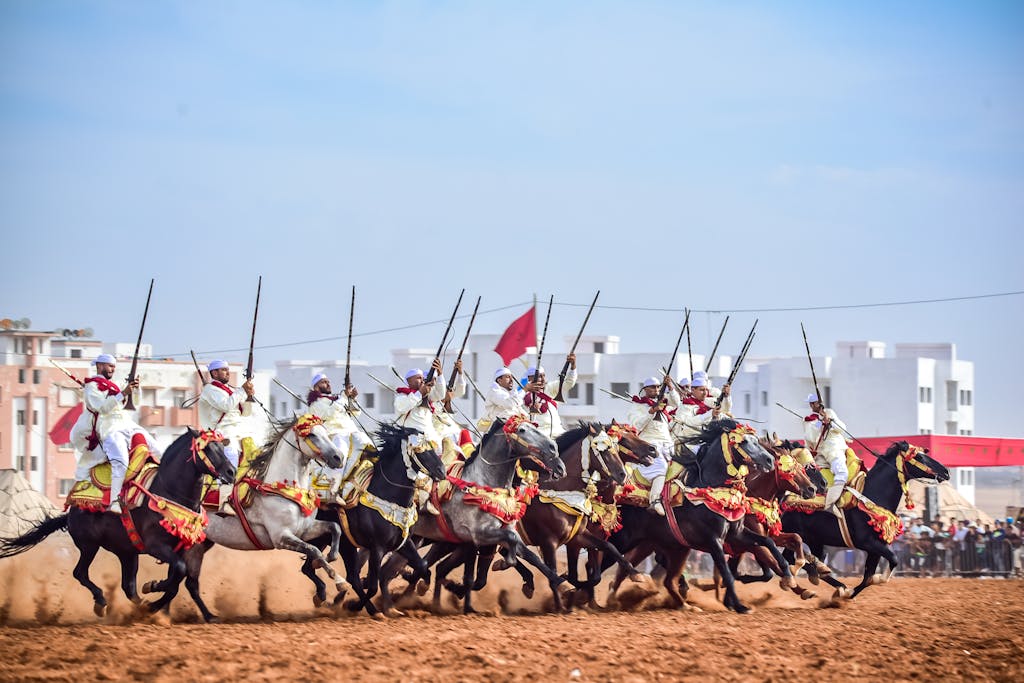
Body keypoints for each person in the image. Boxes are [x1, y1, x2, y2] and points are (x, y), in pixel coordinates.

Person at [69, 353, 159, 513]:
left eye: (114, 366)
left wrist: (136, 389)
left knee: (157, 449)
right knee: (121, 462)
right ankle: (114, 501)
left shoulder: (115, 385)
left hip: (127, 423)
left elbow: (135, 403)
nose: (112, 369)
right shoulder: (91, 387)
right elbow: (102, 408)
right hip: (109, 427)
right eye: (109, 366)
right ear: (99, 366)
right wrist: (123, 393)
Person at [306, 373, 373, 496]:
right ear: (316, 387)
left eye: (328, 381)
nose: (328, 384)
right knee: (340, 454)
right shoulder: (316, 403)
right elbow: (329, 414)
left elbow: (355, 413)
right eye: (324, 382)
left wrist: (352, 398)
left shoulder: (336, 400)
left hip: (351, 433)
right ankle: (334, 485)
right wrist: (343, 397)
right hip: (334, 436)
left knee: (369, 445)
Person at [627, 376, 681, 516]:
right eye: (652, 387)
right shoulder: (637, 406)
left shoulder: (663, 402)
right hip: (648, 445)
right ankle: (654, 500)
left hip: (668, 445)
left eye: (658, 387)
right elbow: (636, 426)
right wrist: (651, 411)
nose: (656, 389)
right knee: (660, 467)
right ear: (645, 389)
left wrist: (670, 387)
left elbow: (677, 403)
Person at [198, 359, 255, 468]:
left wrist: (248, 396)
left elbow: (245, 413)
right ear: (214, 373)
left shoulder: (230, 391)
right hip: (223, 435)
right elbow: (226, 406)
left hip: (238, 434)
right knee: (231, 462)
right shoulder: (210, 389)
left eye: (228, 370)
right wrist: (242, 390)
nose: (228, 372)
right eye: (224, 370)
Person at [803, 393, 849, 514]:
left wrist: (830, 421)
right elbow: (812, 438)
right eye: (811, 403)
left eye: (815, 403)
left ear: (820, 403)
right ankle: (830, 505)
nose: (812, 405)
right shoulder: (809, 420)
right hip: (829, 451)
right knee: (842, 473)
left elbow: (843, 428)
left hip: (841, 448)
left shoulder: (830, 412)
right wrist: (821, 422)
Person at [522, 355, 577, 438]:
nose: (543, 379)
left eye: (544, 376)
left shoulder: (550, 387)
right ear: (530, 378)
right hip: (540, 434)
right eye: (540, 376)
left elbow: (568, 383)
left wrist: (573, 366)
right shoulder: (523, 395)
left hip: (558, 431)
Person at [672, 375, 731, 445]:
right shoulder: (685, 405)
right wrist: (710, 413)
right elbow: (689, 422)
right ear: (693, 390)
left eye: (706, 390)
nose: (705, 393)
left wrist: (726, 396)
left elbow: (725, 409)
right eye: (702, 390)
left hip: (710, 437)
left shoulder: (708, 401)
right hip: (690, 442)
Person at [478, 367, 528, 432]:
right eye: (508, 377)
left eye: (511, 377)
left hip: (515, 426)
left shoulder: (509, 394)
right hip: (499, 429)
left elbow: (520, 411)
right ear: (499, 380)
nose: (511, 380)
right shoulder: (494, 392)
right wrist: (525, 390)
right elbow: (510, 404)